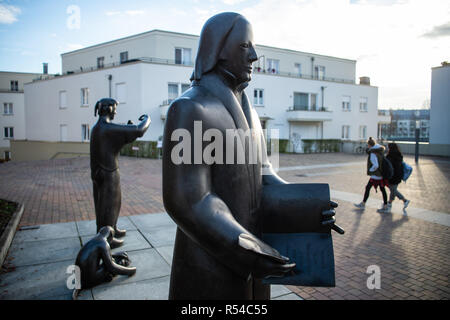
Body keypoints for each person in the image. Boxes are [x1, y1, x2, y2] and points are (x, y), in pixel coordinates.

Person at [162, 12, 342, 300]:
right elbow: (189, 200)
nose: (255, 56)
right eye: (246, 46)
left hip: (256, 262)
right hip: (210, 262)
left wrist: (308, 209)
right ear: (217, 49)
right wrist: (247, 250)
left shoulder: (252, 114)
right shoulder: (190, 108)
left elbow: (263, 177)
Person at [90, 98, 150, 248]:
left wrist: (127, 132)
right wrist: (147, 119)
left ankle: (111, 229)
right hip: (108, 171)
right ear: (108, 109)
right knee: (109, 202)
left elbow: (117, 140)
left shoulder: (98, 128)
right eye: (115, 108)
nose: (116, 111)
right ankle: (106, 235)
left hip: (100, 171)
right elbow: (139, 130)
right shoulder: (107, 128)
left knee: (108, 203)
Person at [354, 137, 389, 213]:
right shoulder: (380, 150)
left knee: (368, 188)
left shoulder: (373, 153)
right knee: (382, 189)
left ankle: (363, 203)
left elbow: (375, 165)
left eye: (368, 145)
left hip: (376, 175)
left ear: (369, 145)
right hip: (381, 174)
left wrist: (370, 170)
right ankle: (385, 205)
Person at [386, 142, 410, 212]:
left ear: (390, 148)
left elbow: (388, 167)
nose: (387, 148)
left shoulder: (389, 157)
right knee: (393, 190)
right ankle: (390, 202)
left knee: (393, 190)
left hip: (392, 176)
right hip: (398, 175)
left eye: (388, 147)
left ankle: (405, 200)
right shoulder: (399, 156)